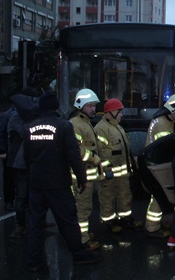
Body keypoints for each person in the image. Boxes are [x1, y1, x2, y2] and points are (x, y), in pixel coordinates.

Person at [23, 92, 102, 271]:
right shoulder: (63, 126)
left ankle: (34, 261)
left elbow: (27, 157)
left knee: (35, 224)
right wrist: (82, 179)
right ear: (55, 107)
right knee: (68, 221)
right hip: (58, 183)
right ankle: (79, 255)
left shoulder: (29, 127)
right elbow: (73, 155)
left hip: (36, 184)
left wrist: (33, 176)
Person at [144, 94, 175, 238]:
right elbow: (167, 146)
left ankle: (156, 225)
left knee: (161, 195)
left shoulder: (168, 121)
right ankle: (152, 228)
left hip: (159, 162)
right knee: (158, 197)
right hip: (156, 164)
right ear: (173, 110)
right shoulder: (161, 124)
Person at [95, 98, 142, 232]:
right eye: (119, 112)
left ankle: (125, 219)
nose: (121, 114)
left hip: (121, 173)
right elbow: (100, 151)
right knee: (107, 197)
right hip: (109, 173)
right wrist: (105, 169)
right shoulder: (101, 129)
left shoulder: (117, 126)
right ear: (111, 112)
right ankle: (109, 222)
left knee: (124, 195)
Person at [69, 88, 102, 250]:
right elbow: (77, 150)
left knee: (85, 207)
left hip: (86, 174)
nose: (93, 109)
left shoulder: (84, 122)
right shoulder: (76, 124)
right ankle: (82, 240)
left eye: (94, 106)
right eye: (90, 106)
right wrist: (95, 158)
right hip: (79, 176)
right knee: (82, 208)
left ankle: (82, 234)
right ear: (80, 106)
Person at [6, 87, 41, 238]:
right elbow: (26, 133)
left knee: (37, 195)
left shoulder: (30, 116)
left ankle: (37, 222)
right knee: (21, 196)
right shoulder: (15, 117)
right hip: (20, 164)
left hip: (35, 162)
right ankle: (21, 225)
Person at [0, 104, 16, 211]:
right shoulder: (10, 115)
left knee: (9, 177)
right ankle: (9, 201)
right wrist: (2, 150)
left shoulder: (8, 114)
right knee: (9, 177)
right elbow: (0, 132)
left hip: (10, 151)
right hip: (10, 152)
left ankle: (10, 201)